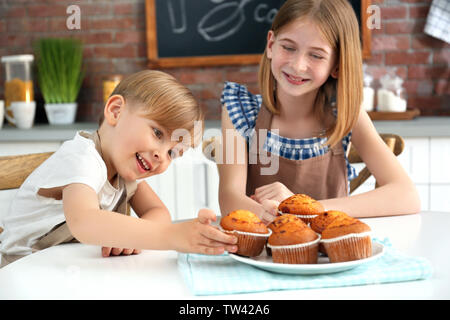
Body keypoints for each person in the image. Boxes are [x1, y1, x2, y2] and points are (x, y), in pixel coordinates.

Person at [0, 70, 237, 267]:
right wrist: (172, 236)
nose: (160, 156)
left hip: (64, 268)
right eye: (157, 133)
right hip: (20, 268)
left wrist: (133, 236)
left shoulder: (125, 172)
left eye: (172, 153)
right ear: (116, 111)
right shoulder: (82, 158)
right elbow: (84, 222)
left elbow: (158, 211)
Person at [217, 0, 420, 224]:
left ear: (336, 65)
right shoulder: (239, 109)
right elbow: (229, 199)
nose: (297, 65)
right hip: (264, 254)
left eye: (316, 55)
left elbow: (407, 196)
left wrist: (302, 207)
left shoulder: (345, 113)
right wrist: (277, 212)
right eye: (288, 47)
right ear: (271, 45)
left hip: (332, 255)